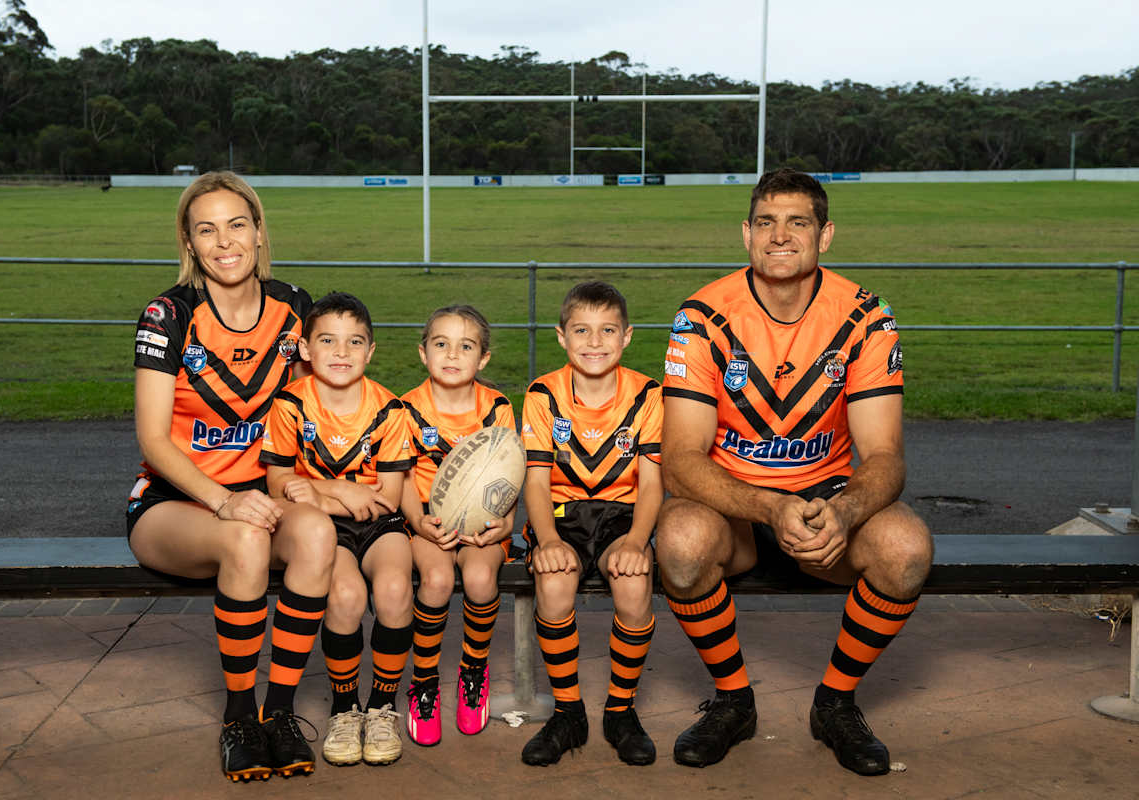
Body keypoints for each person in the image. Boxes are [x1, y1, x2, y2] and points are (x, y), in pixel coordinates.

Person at [657, 168, 933, 775]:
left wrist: (846, 511)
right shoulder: (702, 315)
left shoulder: (867, 316)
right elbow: (679, 460)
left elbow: (885, 456)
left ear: (825, 235)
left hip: (826, 501)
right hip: (734, 502)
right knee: (680, 543)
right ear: (746, 234)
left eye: (797, 222)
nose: (779, 235)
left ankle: (835, 703)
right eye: (766, 222)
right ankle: (734, 701)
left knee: (907, 549)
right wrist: (768, 506)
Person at [127, 171, 335, 782]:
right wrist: (224, 501)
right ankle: (239, 718)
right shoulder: (168, 314)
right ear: (189, 243)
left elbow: (309, 413)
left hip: (262, 498)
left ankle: (280, 714)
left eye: (237, 225)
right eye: (206, 229)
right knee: (245, 538)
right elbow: (152, 440)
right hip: (175, 504)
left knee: (317, 533)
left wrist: (311, 483)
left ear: (260, 232)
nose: (224, 242)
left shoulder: (294, 306)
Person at [260, 292, 415, 767]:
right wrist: (339, 491)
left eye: (354, 342)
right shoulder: (290, 404)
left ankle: (382, 706)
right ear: (306, 349)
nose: (341, 352)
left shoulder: (390, 409)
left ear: (370, 351)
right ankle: (345, 709)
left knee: (394, 589)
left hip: (380, 524)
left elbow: (387, 498)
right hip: (325, 528)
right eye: (327, 340)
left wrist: (317, 491)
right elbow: (278, 482)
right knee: (345, 596)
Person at [519, 281, 664, 767]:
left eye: (607, 330)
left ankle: (620, 711)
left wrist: (638, 542)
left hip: (623, 516)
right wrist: (547, 540)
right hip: (562, 515)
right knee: (554, 581)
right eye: (581, 330)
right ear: (562, 336)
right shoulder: (543, 394)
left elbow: (652, 484)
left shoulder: (649, 394)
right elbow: (536, 482)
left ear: (627, 336)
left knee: (633, 582)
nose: (595, 342)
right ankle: (568, 713)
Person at [399, 305, 517, 746]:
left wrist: (504, 523)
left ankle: (473, 670)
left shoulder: (497, 407)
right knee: (436, 579)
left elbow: (510, 473)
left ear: (483, 358)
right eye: (441, 344)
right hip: (426, 520)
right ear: (423, 353)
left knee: (481, 578)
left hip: (483, 521)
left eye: (465, 346)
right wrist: (419, 522)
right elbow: (402, 477)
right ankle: (424, 680)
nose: (452, 354)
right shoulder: (405, 408)